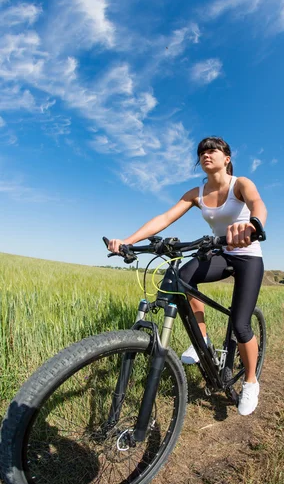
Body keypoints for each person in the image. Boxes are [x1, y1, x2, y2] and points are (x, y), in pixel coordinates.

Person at [108, 136, 267, 415]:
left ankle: (251, 381)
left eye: (213, 150)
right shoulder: (197, 192)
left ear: (226, 158)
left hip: (247, 256)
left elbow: (258, 204)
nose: (206, 154)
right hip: (220, 253)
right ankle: (202, 340)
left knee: (241, 325)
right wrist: (128, 241)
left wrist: (253, 226)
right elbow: (165, 218)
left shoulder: (240, 184)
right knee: (182, 278)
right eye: (202, 151)